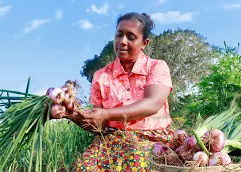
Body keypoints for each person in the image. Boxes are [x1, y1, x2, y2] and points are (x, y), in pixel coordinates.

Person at [69, 12, 174, 172]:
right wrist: (71, 114)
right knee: (82, 168)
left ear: (144, 43)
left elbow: (152, 104)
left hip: (152, 137)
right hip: (110, 139)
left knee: (135, 162)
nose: (122, 42)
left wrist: (106, 114)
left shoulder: (156, 67)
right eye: (119, 35)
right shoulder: (101, 76)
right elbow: (100, 126)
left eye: (130, 37)